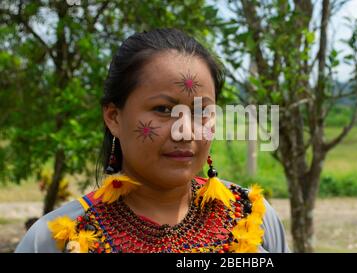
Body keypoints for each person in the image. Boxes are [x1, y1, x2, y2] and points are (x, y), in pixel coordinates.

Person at [15, 28, 290, 253]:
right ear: (113, 117)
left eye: (201, 112)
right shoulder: (57, 239)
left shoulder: (252, 217)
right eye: (163, 109)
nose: (186, 131)